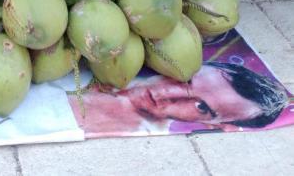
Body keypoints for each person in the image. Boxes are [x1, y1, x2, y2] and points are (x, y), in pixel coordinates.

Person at [68, 62, 290, 137]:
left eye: (201, 107)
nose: (168, 94)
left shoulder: (92, 119)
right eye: (187, 80)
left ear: (220, 126)